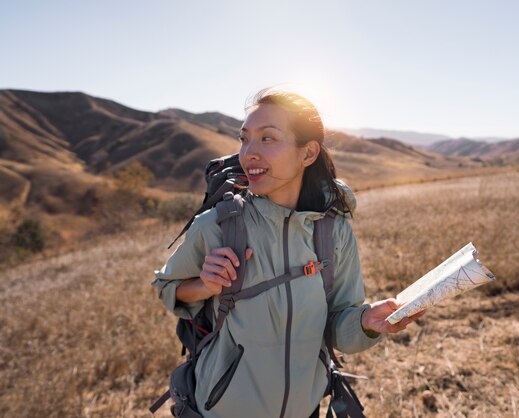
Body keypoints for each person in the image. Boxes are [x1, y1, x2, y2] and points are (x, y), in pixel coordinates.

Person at [152, 87, 425, 418]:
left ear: (307, 153)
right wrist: (205, 286)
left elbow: (339, 324)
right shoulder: (219, 225)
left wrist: (366, 322)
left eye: (267, 139)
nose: (248, 153)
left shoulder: (333, 229)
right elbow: (166, 287)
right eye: (245, 139)